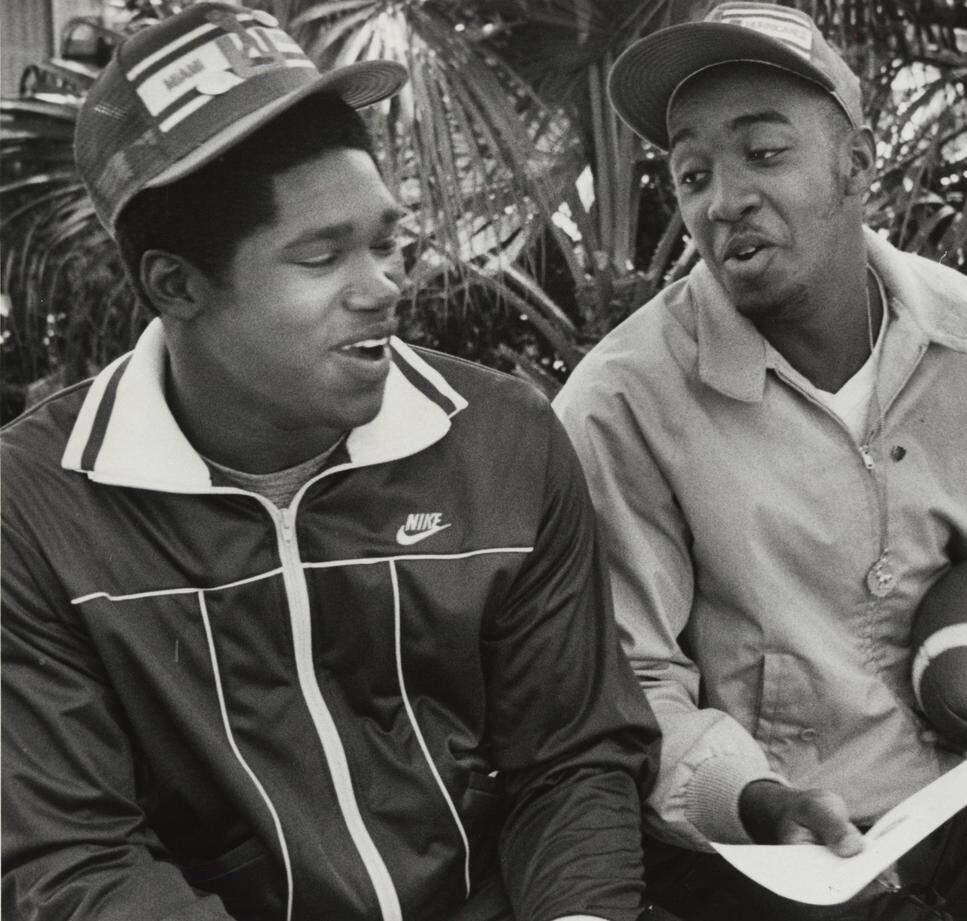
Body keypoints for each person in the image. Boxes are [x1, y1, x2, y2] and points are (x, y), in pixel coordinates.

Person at [1, 5, 662, 920]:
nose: (383, 287)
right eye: (322, 257)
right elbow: (73, 856)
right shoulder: (35, 508)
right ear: (175, 285)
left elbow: (573, 758)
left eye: (386, 241)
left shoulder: (500, 439)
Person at [553, 3, 967, 919]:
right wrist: (751, 798)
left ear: (858, 166)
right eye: (692, 172)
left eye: (765, 152)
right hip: (762, 857)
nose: (724, 199)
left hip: (951, 811)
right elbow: (632, 689)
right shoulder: (618, 405)